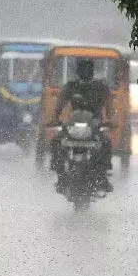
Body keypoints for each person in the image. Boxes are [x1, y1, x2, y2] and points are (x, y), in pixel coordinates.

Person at [50, 58, 113, 192]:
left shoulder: (100, 87)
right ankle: (61, 176)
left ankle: (102, 177)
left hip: (95, 126)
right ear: (78, 71)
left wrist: (112, 120)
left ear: (92, 71)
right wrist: (54, 118)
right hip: (73, 126)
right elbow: (59, 104)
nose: (85, 72)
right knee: (56, 142)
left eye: (88, 69)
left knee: (106, 143)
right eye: (82, 69)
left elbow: (109, 106)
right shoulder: (71, 86)